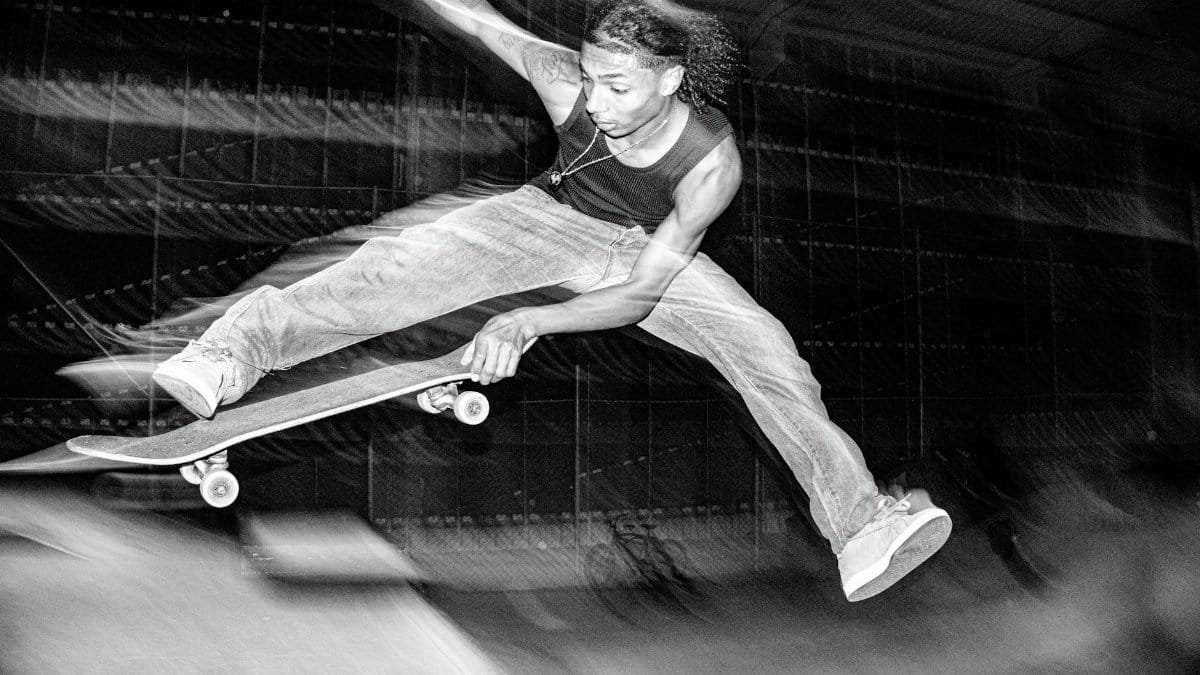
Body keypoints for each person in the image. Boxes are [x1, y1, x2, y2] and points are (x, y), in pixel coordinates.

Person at [150, 0, 951, 602]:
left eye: (617, 85)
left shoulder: (713, 166)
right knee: (393, 266)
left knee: (768, 350)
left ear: (670, 81)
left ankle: (859, 525)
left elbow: (639, 295)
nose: (594, 100)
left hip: (646, 259)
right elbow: (481, 18)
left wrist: (532, 318)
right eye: (588, 77)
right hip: (542, 219)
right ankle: (228, 354)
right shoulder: (564, 81)